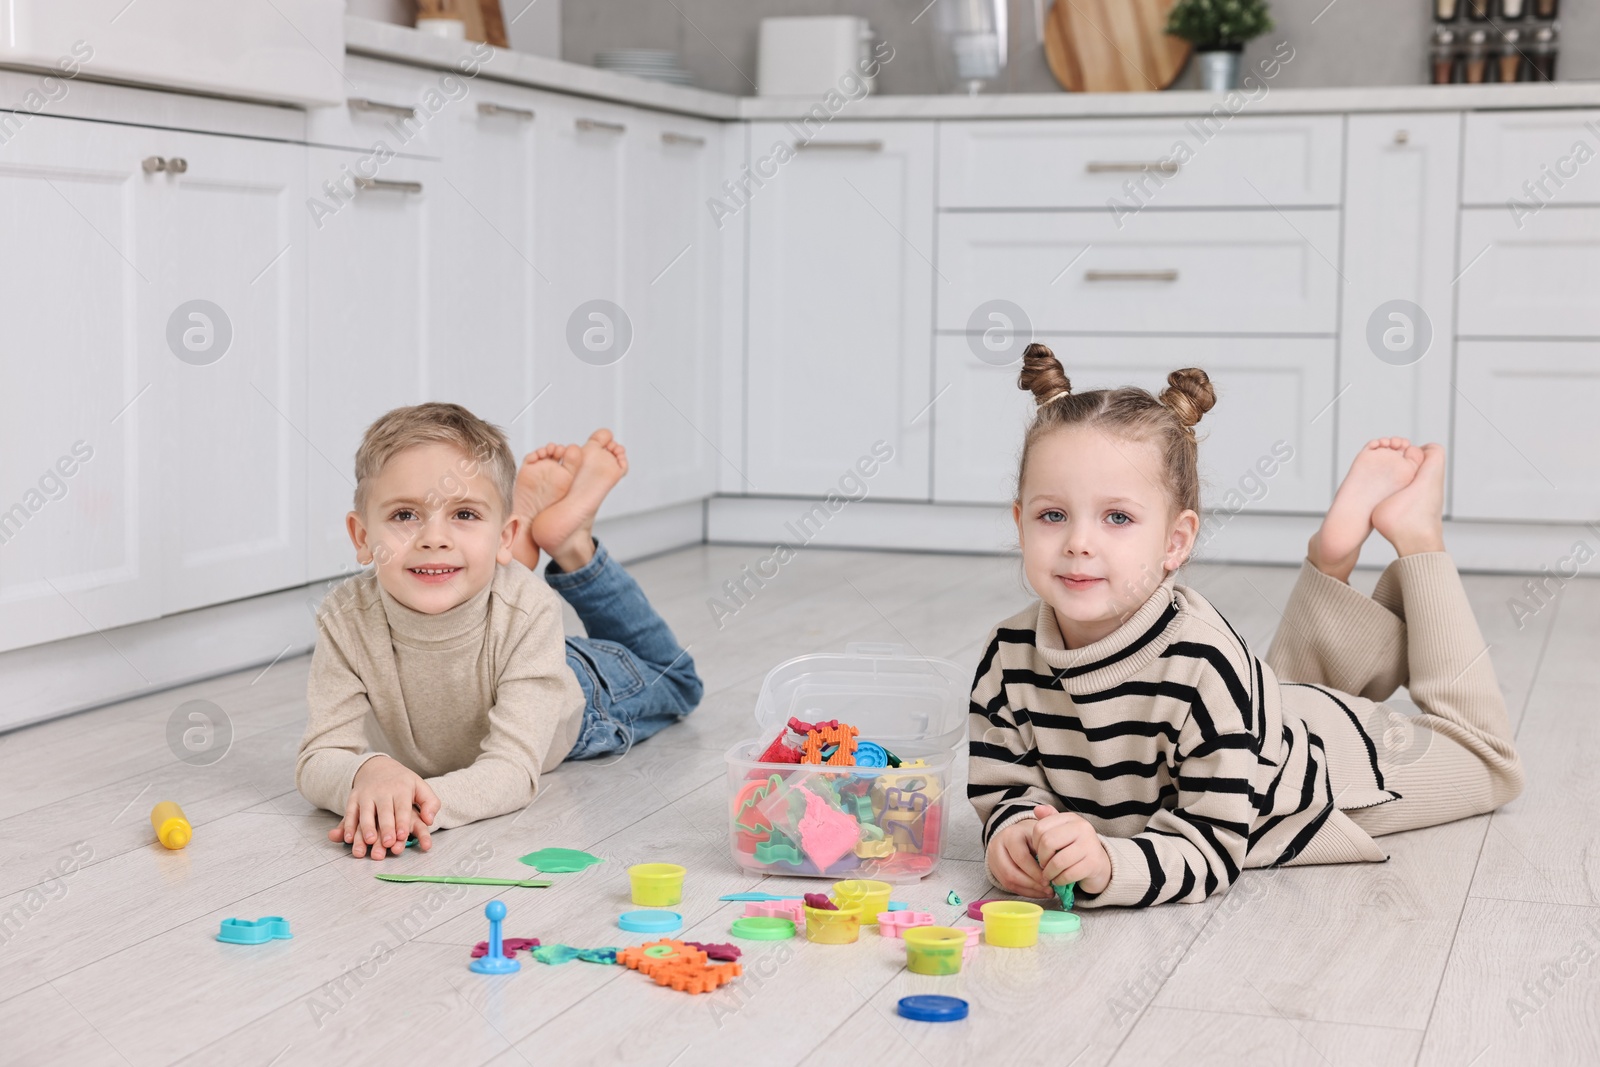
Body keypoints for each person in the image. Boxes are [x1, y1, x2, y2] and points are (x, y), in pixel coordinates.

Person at [968, 343, 1524, 907]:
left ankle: (1417, 534)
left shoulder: (1205, 665)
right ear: (1020, 523)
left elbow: (1212, 846)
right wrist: (1011, 836)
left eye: (1117, 518)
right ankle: (1329, 565)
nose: (1078, 543)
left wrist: (1113, 865)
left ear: (1174, 542)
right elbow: (1007, 787)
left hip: (1318, 770)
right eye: (1052, 515)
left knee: (1488, 759)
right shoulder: (1005, 655)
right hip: (1251, 717)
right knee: (1262, 697)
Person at [296, 402, 702, 859]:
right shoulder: (344, 616)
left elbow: (512, 770)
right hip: (497, 648)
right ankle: (504, 555)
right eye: (405, 515)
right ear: (361, 537)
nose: (433, 537)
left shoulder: (530, 612)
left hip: (573, 693)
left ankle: (573, 547)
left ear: (501, 534)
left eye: (464, 514)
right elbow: (320, 755)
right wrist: (366, 772)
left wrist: (418, 807)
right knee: (478, 583)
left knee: (677, 681)